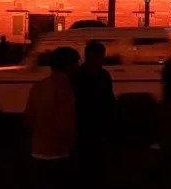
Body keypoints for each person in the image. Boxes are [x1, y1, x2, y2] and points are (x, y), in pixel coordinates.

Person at [24, 47, 80, 189]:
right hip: (58, 153)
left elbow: (29, 118)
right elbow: (67, 124)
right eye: (76, 63)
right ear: (69, 66)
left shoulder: (38, 87)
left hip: (38, 151)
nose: (78, 67)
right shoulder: (65, 89)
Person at [74, 41, 116, 187]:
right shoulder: (98, 75)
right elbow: (109, 99)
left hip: (89, 123)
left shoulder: (82, 75)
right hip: (88, 123)